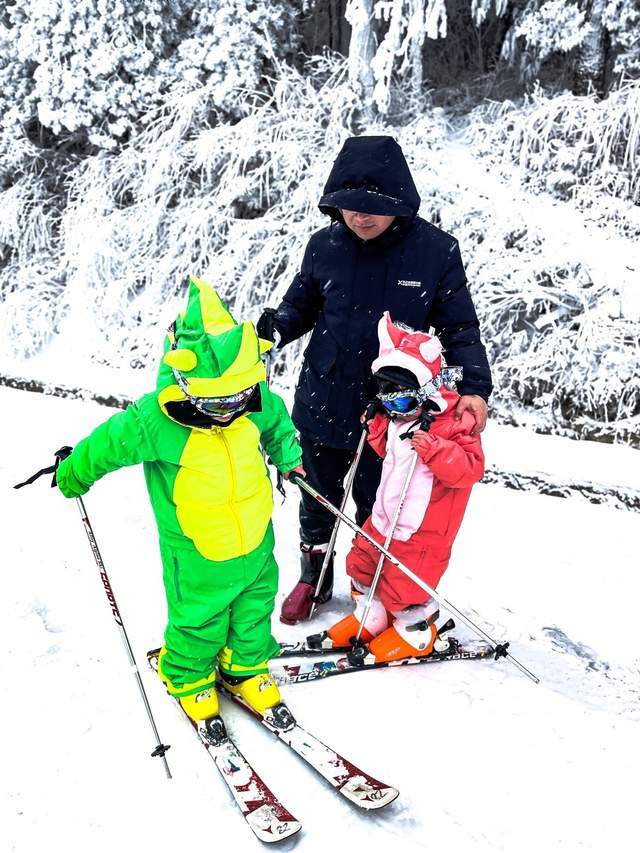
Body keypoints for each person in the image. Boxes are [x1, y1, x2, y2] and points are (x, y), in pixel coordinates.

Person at [257, 135, 492, 625]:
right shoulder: (323, 246)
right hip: (325, 392)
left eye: (373, 207)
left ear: (399, 202)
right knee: (317, 494)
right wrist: (270, 333)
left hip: (394, 410)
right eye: (349, 206)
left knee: (381, 502)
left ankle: (373, 584)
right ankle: (312, 577)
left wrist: (473, 389)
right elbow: (300, 308)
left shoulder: (435, 252)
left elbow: (459, 328)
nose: (360, 217)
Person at [55, 277, 304, 722]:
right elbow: (107, 444)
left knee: (254, 607)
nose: (229, 409)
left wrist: (289, 457)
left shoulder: (254, 397)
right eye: (217, 400)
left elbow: (277, 424)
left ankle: (244, 667)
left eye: (237, 396)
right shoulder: (156, 418)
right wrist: (74, 472)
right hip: (196, 548)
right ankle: (187, 674)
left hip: (256, 537)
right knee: (200, 615)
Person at [325, 312, 484, 661]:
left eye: (403, 401)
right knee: (364, 565)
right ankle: (372, 615)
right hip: (384, 520)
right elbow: (390, 453)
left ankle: (415, 632)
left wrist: (436, 450)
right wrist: (378, 428)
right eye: (387, 400)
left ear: (428, 392)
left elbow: (470, 469)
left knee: (405, 586)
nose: (395, 409)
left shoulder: (453, 424)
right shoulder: (400, 418)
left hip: (421, 534)